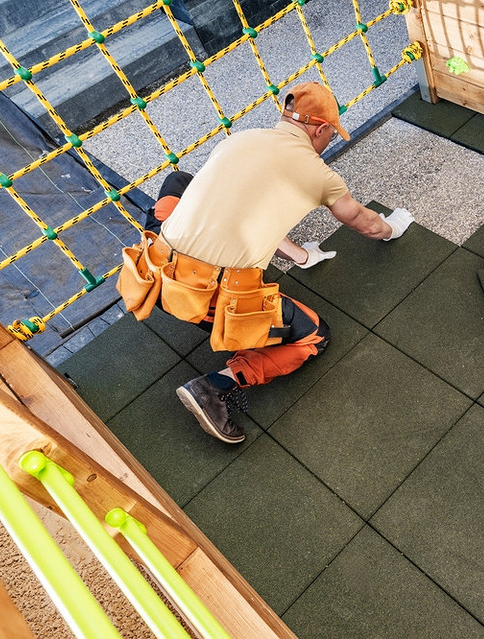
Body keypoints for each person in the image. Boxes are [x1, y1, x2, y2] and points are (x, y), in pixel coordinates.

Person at [144, 82, 414, 444]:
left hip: (152, 263)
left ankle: (160, 248)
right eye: (331, 134)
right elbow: (365, 223)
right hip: (197, 291)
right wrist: (393, 227)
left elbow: (240, 210)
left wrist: (301, 255)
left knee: (180, 181)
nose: (329, 140)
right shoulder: (318, 173)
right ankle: (213, 386)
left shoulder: (239, 140)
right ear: (320, 129)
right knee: (314, 337)